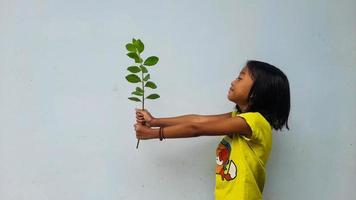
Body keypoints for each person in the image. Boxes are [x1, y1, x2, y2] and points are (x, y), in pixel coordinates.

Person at [134, 60, 290, 200]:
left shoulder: (254, 122)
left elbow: (197, 128)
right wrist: (154, 122)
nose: (233, 81)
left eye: (240, 78)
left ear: (255, 93)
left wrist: (152, 134)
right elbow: (197, 120)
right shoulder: (240, 118)